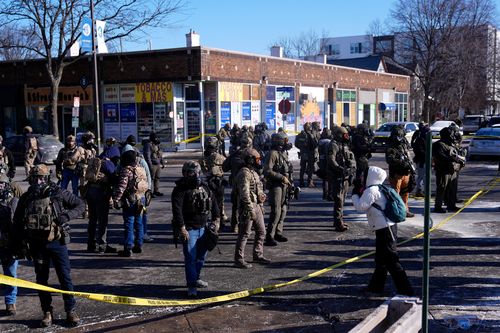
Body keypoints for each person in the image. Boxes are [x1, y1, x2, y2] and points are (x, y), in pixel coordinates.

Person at [12, 164, 85, 327]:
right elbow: (17, 222)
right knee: (41, 280)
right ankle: (47, 312)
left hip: (57, 242)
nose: (38, 181)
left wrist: (66, 216)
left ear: (46, 178)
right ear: (31, 179)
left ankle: (70, 311)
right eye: (35, 178)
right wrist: (19, 244)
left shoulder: (57, 193)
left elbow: (81, 205)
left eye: (41, 178)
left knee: (65, 277)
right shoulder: (27, 197)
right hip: (37, 245)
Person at [351, 166, 414, 296]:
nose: (362, 178)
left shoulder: (372, 190)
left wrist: (354, 194)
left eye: (364, 175)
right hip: (385, 228)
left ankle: (406, 291)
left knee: (391, 261)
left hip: (386, 229)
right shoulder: (379, 188)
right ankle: (375, 287)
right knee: (381, 260)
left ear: (371, 177)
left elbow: (360, 207)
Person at [171, 161, 219, 297]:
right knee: (190, 258)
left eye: (198, 172)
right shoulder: (180, 190)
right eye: (192, 173)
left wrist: (217, 219)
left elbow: (214, 202)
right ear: (185, 173)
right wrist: (182, 228)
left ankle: (196, 278)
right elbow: (177, 211)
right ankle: (191, 285)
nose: (196, 175)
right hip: (189, 229)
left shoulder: (204, 186)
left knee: (201, 257)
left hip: (204, 228)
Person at [234, 148, 270, 268]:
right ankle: (239, 259)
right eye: (257, 159)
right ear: (250, 159)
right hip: (247, 207)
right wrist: (250, 209)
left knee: (261, 232)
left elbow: (258, 190)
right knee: (245, 233)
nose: (259, 161)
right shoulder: (244, 173)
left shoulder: (254, 173)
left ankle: (257, 254)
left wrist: (261, 202)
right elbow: (244, 194)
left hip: (257, 206)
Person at [112, 150, 149, 256]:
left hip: (130, 200)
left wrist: (116, 199)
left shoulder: (126, 170)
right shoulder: (140, 169)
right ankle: (139, 245)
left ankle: (128, 248)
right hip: (141, 199)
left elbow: (121, 187)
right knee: (139, 222)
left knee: (129, 223)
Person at [85, 144, 119, 254]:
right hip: (101, 193)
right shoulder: (108, 163)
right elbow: (114, 180)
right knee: (102, 220)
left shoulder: (96, 160)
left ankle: (91, 244)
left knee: (92, 219)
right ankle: (102, 245)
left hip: (90, 192)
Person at [327, 126, 356, 232]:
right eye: (345, 135)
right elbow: (331, 160)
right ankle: (338, 222)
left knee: (342, 199)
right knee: (339, 200)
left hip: (345, 176)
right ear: (339, 135)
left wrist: (351, 169)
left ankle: (338, 220)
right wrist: (340, 169)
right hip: (337, 176)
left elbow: (351, 158)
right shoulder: (333, 145)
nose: (347, 137)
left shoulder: (344, 145)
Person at [264, 132, 291, 246]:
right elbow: (267, 171)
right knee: (276, 211)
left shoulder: (283, 154)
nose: (286, 142)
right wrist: (281, 177)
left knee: (283, 209)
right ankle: (269, 236)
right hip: (276, 185)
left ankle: (278, 233)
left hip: (284, 185)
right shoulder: (272, 154)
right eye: (284, 140)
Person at [432, 127, 465, 213]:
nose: (453, 137)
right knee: (442, 188)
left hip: (453, 170)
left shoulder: (451, 144)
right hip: (443, 170)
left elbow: (457, 154)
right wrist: (453, 159)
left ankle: (451, 205)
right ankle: (438, 206)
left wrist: (460, 159)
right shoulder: (438, 145)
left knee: (452, 188)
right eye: (452, 135)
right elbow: (440, 157)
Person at [385, 126, 415, 218]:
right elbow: (390, 160)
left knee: (405, 193)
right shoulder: (391, 146)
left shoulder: (403, 144)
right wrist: (402, 163)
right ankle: (396, 212)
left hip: (406, 173)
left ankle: (405, 210)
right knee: (395, 195)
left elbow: (408, 155)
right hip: (396, 174)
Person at [0, 174, 19, 316]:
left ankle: (10, 302)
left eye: (2, 183)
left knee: (11, 274)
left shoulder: (14, 201)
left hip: (9, 245)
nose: (0, 186)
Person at [200, 136, 229, 227]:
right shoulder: (218, 156)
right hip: (216, 182)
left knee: (213, 201)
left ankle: (219, 218)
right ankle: (218, 220)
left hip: (210, 181)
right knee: (217, 202)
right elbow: (226, 165)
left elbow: (204, 170)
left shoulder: (204, 157)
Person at [295, 122, 318, 188]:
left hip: (303, 153)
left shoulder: (300, 135)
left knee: (302, 168)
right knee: (310, 168)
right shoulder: (311, 135)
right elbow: (315, 144)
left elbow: (296, 144)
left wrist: (302, 148)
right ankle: (309, 182)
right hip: (310, 153)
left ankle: (301, 181)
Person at [143, 132, 165, 197]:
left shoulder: (157, 144)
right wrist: (150, 166)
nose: (156, 139)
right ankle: (150, 192)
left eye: (156, 137)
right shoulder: (148, 145)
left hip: (157, 164)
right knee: (151, 179)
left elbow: (160, 154)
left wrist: (162, 162)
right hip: (152, 164)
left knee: (157, 178)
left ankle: (156, 191)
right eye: (155, 137)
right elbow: (147, 156)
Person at [410, 122, 429, 198]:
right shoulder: (420, 140)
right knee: (422, 176)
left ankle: (425, 190)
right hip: (421, 160)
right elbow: (419, 151)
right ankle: (420, 190)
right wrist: (427, 155)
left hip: (424, 160)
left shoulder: (423, 139)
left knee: (425, 176)